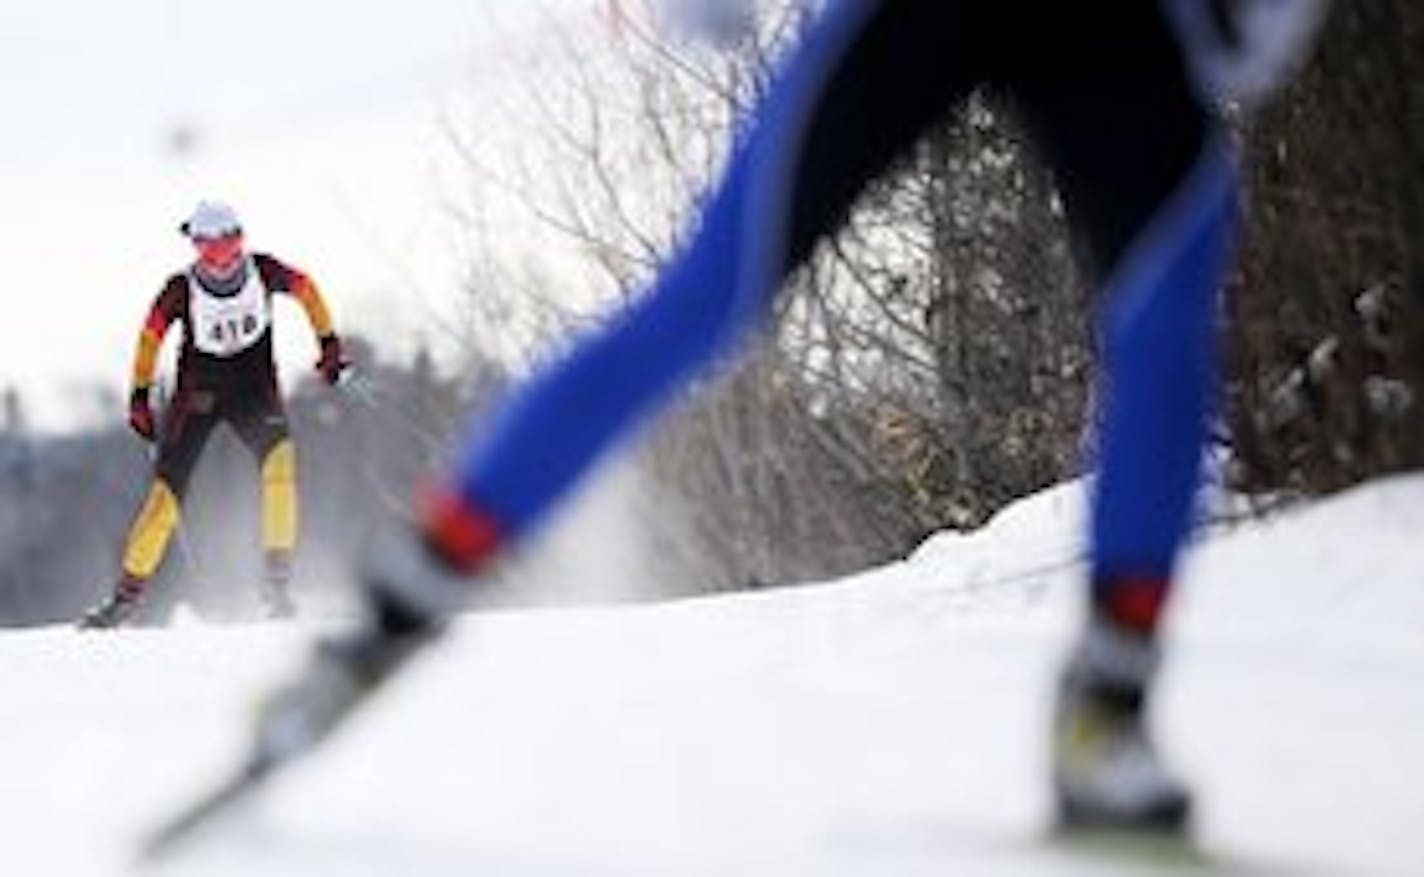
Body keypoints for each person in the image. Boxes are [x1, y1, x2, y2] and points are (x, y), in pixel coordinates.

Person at [264, 0, 1328, 833]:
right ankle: (395, 612)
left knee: (1160, 328)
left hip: (1120, 23)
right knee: (706, 297)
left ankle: (1109, 704)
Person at [80, 201, 347, 628]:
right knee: (166, 496)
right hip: (197, 399)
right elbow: (150, 337)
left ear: (238, 241)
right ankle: (123, 599)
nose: (219, 260)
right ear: (197, 246)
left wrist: (330, 346)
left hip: (254, 394)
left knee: (280, 471)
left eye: (225, 246)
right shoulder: (180, 289)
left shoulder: (264, 271)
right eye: (205, 250)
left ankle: (276, 586)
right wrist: (139, 396)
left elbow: (307, 290)